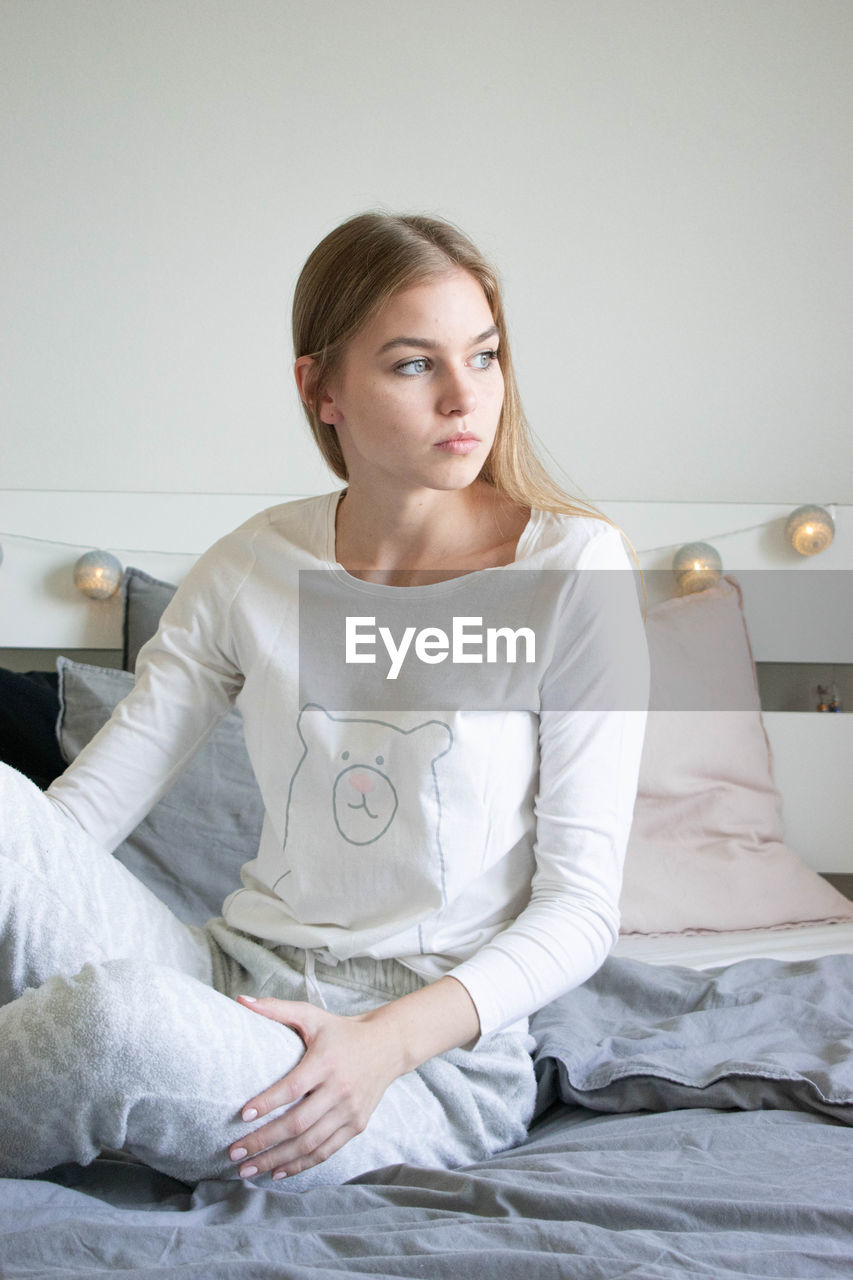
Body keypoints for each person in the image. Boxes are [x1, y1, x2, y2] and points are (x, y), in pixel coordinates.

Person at [0, 212, 649, 1191]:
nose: (465, 394)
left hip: (420, 1064)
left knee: (109, 1022)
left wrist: (383, 1045)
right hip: (227, 973)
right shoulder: (253, 565)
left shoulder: (571, 568)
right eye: (411, 364)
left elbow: (580, 909)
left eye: (483, 354)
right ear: (322, 388)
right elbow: (80, 817)